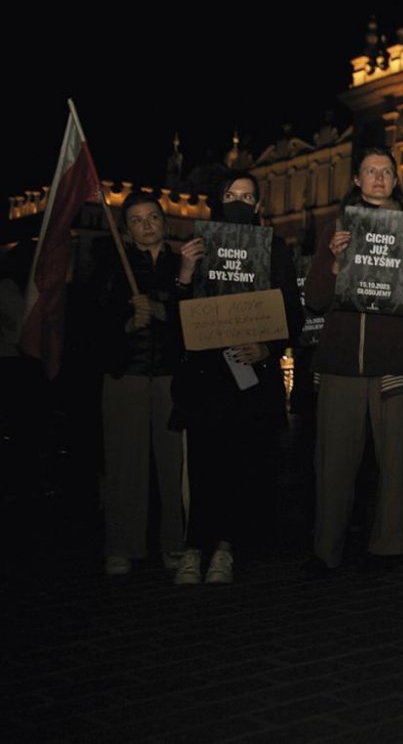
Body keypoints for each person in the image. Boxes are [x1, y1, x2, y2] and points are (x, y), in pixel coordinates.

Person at [302, 147, 403, 575]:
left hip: (396, 361)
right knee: (334, 461)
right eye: (370, 171)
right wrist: (335, 261)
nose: (379, 178)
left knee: (396, 461)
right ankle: (327, 550)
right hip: (342, 361)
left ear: (397, 181)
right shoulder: (336, 228)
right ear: (357, 180)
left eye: (387, 172)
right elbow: (316, 299)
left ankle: (392, 547)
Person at [172, 173, 302, 584]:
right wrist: (185, 272)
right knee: (203, 464)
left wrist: (268, 347)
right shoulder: (196, 247)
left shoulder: (274, 249)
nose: (239, 202)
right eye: (230, 195)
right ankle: (194, 546)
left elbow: (291, 311)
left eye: (247, 197)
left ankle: (225, 548)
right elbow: (175, 317)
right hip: (205, 374)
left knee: (240, 463)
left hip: (249, 372)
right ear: (218, 201)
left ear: (259, 207)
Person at [96, 192, 186, 575]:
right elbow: (91, 323)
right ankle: (122, 544)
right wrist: (128, 324)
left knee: (174, 466)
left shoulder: (184, 262)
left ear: (164, 221)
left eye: (152, 217)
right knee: (124, 464)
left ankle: (175, 544)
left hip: (173, 378)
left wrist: (163, 308)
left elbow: (197, 316)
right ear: (126, 227)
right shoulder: (111, 264)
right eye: (136, 219)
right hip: (126, 376)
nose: (146, 225)